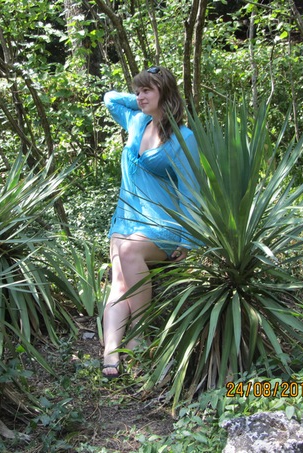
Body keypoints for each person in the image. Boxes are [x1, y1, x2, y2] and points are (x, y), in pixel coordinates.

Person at [102, 66, 200, 379]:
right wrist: (142, 101)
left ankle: (139, 335)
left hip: (163, 222)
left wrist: (187, 240)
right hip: (126, 218)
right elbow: (110, 99)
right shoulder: (135, 120)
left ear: (165, 94)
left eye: (147, 90)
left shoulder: (183, 138)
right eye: (138, 90)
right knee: (119, 282)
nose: (140, 96)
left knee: (129, 252)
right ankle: (110, 353)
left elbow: (191, 189)